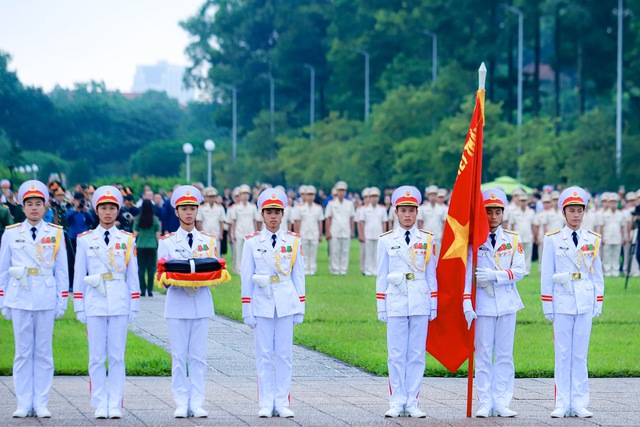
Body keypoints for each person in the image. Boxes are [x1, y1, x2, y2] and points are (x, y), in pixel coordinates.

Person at [0, 180, 69, 418]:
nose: (34, 208)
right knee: (22, 352)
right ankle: (22, 402)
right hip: (19, 297)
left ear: (45, 205)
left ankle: (41, 401)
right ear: (22, 205)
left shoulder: (55, 233)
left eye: (38, 204)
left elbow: (62, 272)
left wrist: (62, 301)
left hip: (45, 297)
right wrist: (3, 301)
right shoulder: (11, 234)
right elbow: (2, 270)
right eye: (29, 204)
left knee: (43, 352)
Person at [72, 186, 140, 419]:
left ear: (119, 210)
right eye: (103, 208)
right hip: (95, 303)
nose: (108, 212)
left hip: (120, 301)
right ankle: (100, 403)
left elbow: (133, 275)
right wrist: (79, 305)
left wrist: (135, 303)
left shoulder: (128, 239)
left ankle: (115, 403)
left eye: (112, 208)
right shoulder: (85, 240)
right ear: (96, 210)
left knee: (117, 356)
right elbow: (78, 275)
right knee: (96, 356)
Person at [241, 188, 305, 418]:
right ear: (262, 214)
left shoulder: (293, 240)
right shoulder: (251, 242)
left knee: (285, 354)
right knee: (264, 354)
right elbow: (246, 277)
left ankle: (283, 401)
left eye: (277, 212)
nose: (273, 216)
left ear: (283, 213)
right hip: (262, 302)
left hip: (286, 301)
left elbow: (299, 275)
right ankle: (266, 402)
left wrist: (301, 305)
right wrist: (247, 309)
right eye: (269, 212)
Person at [541, 186, 604, 418]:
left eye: (579, 210)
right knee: (563, 353)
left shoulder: (592, 239)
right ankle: (561, 402)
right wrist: (548, 304)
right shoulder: (553, 240)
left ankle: (579, 402)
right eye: (572, 211)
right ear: (564, 212)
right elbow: (546, 274)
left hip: (585, 299)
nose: (576, 215)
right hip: (563, 300)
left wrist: (598, 301)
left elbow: (598, 274)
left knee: (580, 354)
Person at [462, 189, 525, 418]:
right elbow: (468, 272)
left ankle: (502, 400)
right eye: (489, 212)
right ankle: (485, 401)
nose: (493, 216)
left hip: (507, 302)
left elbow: (520, 270)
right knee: (483, 353)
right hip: (484, 303)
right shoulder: (474, 240)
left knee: (505, 355)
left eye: (497, 212)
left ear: (503, 214)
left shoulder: (513, 239)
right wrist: (467, 302)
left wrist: (496, 276)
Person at [376, 186, 437, 418]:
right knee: (396, 353)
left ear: (417, 212)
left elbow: (432, 274)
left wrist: (433, 303)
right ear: (396, 212)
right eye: (403, 210)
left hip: (420, 297)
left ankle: (412, 400)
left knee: (416, 353)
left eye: (411, 210)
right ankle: (396, 400)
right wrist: (381, 304)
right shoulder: (386, 241)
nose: (408, 215)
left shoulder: (427, 239)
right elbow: (381, 275)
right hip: (396, 299)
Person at [157, 185, 218, 418]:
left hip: (201, 302)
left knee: (199, 356)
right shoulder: (167, 242)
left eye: (193, 208)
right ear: (176, 212)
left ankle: (198, 401)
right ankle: (181, 401)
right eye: (184, 208)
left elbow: (213, 271)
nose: (189, 213)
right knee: (179, 356)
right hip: (177, 304)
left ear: (198, 210)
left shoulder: (208, 240)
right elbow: (162, 276)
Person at [228, 184, 262, 274]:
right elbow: (234, 221)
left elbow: (255, 220)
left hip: (250, 232)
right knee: (239, 252)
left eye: (246, 194)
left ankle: (250, 269)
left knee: (250, 253)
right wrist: (233, 234)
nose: (245, 196)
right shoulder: (236, 207)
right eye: (243, 194)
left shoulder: (253, 206)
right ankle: (239, 270)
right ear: (240, 195)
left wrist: (256, 232)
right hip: (239, 231)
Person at [325, 180, 355, 275]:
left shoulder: (349, 204)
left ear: (345, 192)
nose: (341, 192)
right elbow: (328, 218)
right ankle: (335, 269)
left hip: (346, 230)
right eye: (339, 190)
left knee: (345, 251)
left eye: (343, 190)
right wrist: (328, 231)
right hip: (335, 230)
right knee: (334, 251)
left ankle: (343, 270)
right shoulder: (331, 203)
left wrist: (352, 231)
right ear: (336, 191)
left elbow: (351, 218)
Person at [293, 185, 324, 275]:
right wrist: (297, 234)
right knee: (304, 252)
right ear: (305, 196)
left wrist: (320, 234)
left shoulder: (318, 207)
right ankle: (305, 268)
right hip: (304, 232)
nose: (310, 197)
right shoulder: (300, 207)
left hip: (314, 232)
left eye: (312, 195)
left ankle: (312, 269)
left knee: (313, 252)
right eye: (308, 195)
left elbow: (320, 222)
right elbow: (297, 221)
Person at [133, 200, 161, 297]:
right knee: (151, 269)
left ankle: (142, 290)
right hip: (152, 246)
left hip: (140, 245)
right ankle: (150, 290)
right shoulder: (155, 219)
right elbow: (158, 233)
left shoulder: (137, 219)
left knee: (141, 269)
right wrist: (160, 245)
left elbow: (135, 233)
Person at [358, 187, 388, 276]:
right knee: (368, 253)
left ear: (378, 198)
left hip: (379, 234)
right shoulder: (364, 209)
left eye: (376, 196)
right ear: (369, 198)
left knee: (377, 254)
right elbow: (361, 222)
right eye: (372, 196)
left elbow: (384, 223)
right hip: (368, 233)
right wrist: (361, 234)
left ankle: (376, 270)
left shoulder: (382, 209)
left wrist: (385, 234)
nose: (374, 198)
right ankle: (368, 270)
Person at [196, 186, 226, 251]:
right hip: (205, 234)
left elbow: (221, 222)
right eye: (210, 197)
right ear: (206, 198)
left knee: (216, 253)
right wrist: (201, 234)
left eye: (213, 197)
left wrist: (221, 234)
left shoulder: (220, 208)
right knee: (205, 252)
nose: (212, 198)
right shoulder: (202, 208)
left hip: (216, 234)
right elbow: (199, 222)